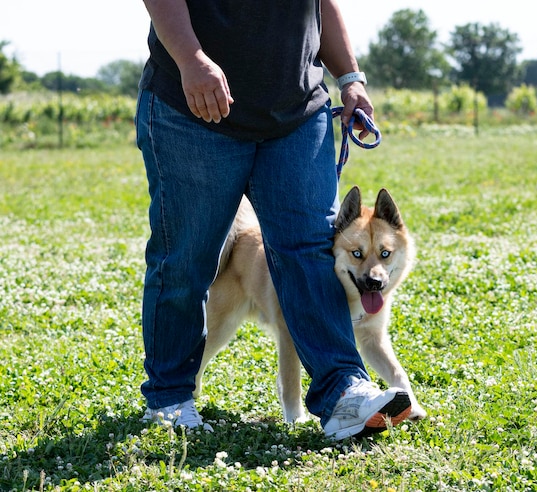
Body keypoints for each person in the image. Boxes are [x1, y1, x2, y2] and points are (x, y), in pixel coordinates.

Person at [136, 0, 412, 440]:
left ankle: (343, 391)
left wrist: (350, 78)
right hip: (194, 111)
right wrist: (190, 58)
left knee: (309, 248)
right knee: (184, 258)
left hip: (297, 113)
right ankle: (169, 398)